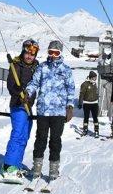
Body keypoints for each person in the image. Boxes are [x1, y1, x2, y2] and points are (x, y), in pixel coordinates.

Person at [24, 40, 75, 180]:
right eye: (50, 52)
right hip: (43, 110)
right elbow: (34, 83)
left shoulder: (66, 70)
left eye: (56, 52)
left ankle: (53, 169)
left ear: (60, 53)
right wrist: (28, 93)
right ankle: (37, 167)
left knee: (55, 140)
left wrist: (70, 107)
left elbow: (71, 89)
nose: (53, 55)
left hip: (58, 112)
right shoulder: (42, 67)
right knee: (40, 139)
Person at [1, 39, 39, 181]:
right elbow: (11, 85)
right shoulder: (15, 65)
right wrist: (18, 91)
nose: (29, 56)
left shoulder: (36, 67)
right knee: (17, 135)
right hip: (18, 106)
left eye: (32, 54)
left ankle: (16, 166)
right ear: (23, 52)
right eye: (27, 53)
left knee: (24, 136)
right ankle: (9, 168)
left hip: (29, 106)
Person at [78, 71, 100, 137]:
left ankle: (96, 131)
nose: (95, 79)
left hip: (94, 103)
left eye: (96, 77)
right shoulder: (85, 84)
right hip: (87, 103)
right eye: (94, 77)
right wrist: (80, 103)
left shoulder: (95, 84)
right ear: (91, 77)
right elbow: (81, 94)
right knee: (86, 117)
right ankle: (85, 130)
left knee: (95, 117)